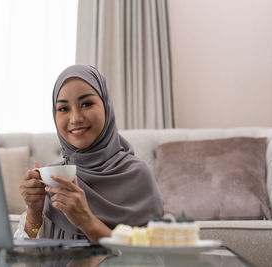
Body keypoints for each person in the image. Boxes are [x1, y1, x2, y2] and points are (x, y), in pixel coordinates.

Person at [17, 65, 163, 242]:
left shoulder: (137, 174)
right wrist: (34, 211)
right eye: (63, 108)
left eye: (86, 104)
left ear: (106, 106)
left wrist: (86, 220)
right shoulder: (52, 178)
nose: (75, 118)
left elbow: (152, 256)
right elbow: (28, 260)